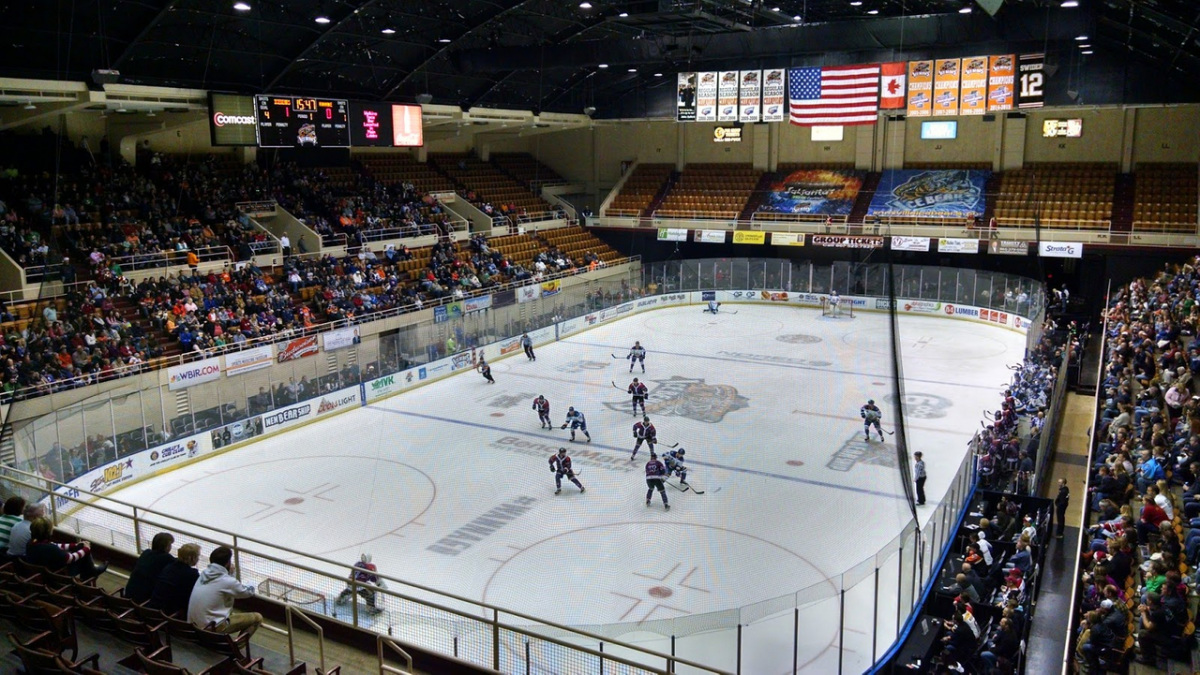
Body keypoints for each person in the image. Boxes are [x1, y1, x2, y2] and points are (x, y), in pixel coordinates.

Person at [188, 545, 263, 637]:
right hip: (211, 628)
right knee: (257, 618)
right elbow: (247, 592)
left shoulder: (204, 573)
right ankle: (237, 646)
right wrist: (252, 583)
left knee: (227, 608)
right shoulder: (227, 581)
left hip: (193, 625)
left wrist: (230, 574)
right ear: (227, 563)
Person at [23, 517, 108, 579]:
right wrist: (86, 549)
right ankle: (92, 573)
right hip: (58, 574)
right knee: (84, 557)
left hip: (44, 571)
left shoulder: (31, 543)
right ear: (48, 532)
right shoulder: (50, 549)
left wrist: (76, 545)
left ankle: (90, 572)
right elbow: (70, 558)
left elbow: (56, 545)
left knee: (81, 549)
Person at [147, 542, 202, 617]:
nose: (198, 559)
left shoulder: (169, 567)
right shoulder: (192, 575)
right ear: (192, 558)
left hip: (153, 609)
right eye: (198, 556)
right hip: (168, 614)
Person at [125, 532, 176, 602]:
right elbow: (180, 563)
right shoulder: (166, 558)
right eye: (170, 545)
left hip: (129, 594)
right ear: (166, 547)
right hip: (143, 600)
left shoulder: (146, 552)